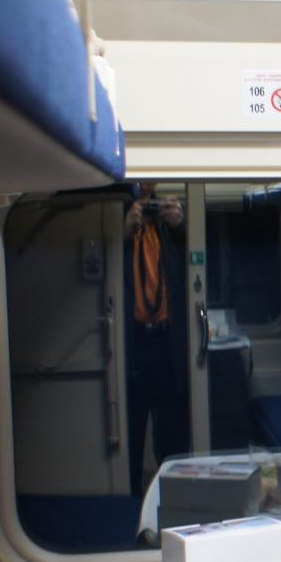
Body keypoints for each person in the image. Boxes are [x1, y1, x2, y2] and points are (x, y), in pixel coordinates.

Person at [123, 184, 191, 493]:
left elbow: (196, 260)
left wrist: (181, 226)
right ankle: (131, 501)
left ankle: (173, 498)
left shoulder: (167, 227)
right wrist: (124, 231)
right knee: (131, 434)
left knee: (172, 434)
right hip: (133, 344)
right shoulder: (121, 219)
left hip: (166, 343)